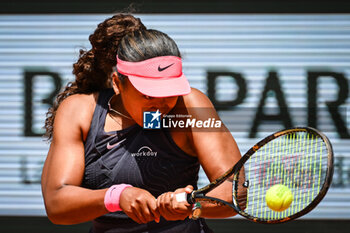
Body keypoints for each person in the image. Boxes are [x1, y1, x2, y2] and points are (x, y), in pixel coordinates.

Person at [41, 13, 242, 233]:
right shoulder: (77, 111)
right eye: (148, 94)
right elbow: (57, 204)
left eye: (169, 93)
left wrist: (190, 202)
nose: (161, 104)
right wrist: (116, 196)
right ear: (118, 83)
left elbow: (235, 190)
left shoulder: (191, 106)